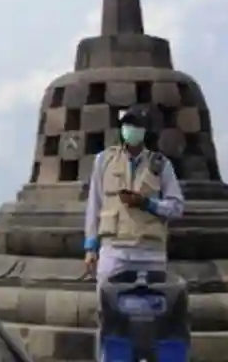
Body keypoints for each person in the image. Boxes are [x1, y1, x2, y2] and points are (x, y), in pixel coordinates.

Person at [83, 105, 186, 352]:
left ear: (144, 131)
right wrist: (90, 246)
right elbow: (94, 204)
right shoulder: (104, 160)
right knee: (108, 317)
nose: (131, 130)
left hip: (150, 252)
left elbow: (177, 207)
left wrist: (147, 203)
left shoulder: (161, 165)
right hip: (114, 250)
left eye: (136, 126)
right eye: (127, 125)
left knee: (156, 321)